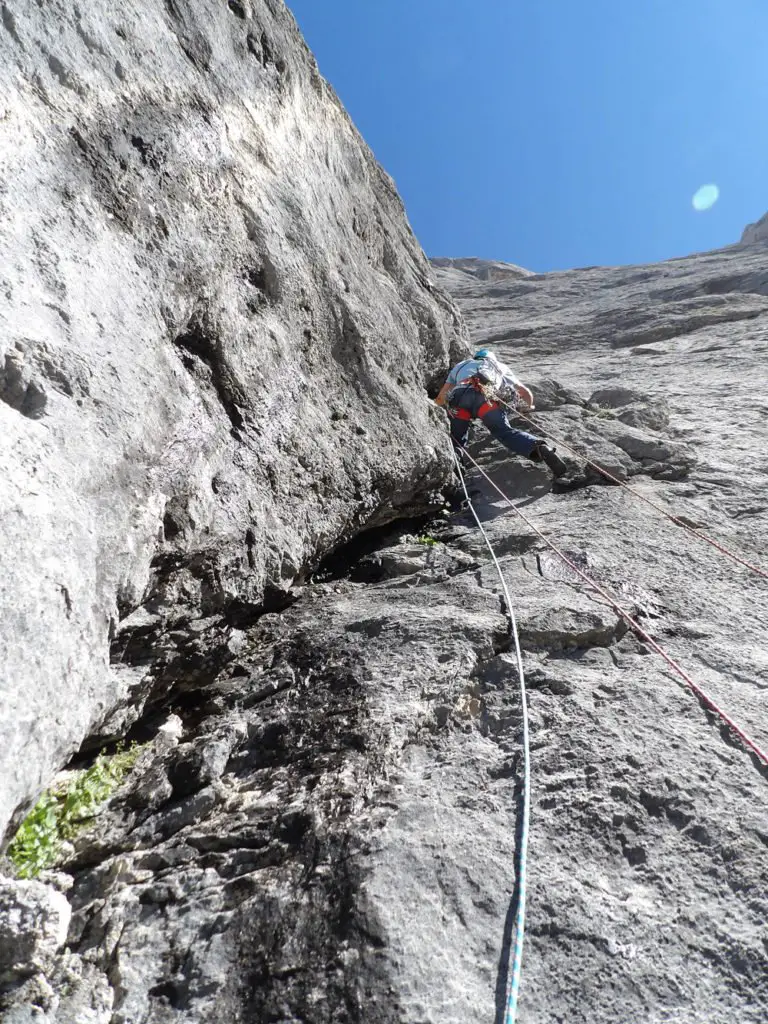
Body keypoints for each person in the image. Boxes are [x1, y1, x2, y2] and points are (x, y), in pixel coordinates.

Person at [435, 348, 568, 477]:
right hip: (486, 399)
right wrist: (529, 407)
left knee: (457, 439)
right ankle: (540, 448)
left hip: (460, 399)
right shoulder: (500, 366)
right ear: (492, 358)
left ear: (476, 357)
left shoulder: (461, 365)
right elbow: (523, 391)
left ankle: (456, 471)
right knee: (503, 432)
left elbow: (441, 397)